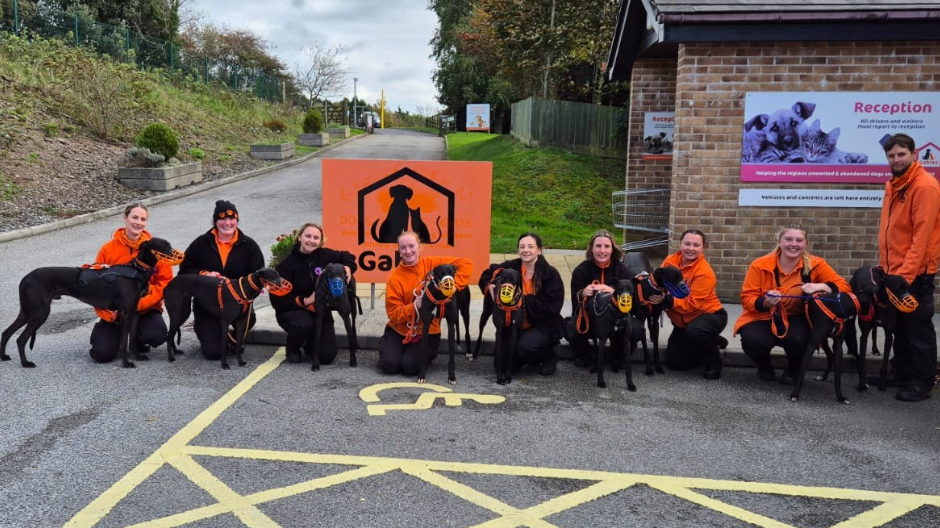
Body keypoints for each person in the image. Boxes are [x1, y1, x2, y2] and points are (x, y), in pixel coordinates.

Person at [733, 224, 850, 384]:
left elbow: (845, 287)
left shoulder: (817, 264)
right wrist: (766, 302)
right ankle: (764, 366)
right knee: (752, 340)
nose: (793, 244)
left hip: (798, 316)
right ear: (779, 241)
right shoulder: (759, 265)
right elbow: (747, 299)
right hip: (763, 316)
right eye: (788, 239)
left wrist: (822, 286)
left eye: (799, 240)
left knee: (799, 338)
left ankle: (794, 369)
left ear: (806, 243)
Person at [875, 133, 940, 402]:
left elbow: (922, 237)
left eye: (901, 154)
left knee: (918, 328)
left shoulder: (924, 186)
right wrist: (886, 269)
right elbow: (890, 232)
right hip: (895, 271)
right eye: (891, 156)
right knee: (898, 327)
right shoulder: (895, 184)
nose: (896, 159)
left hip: (915, 272)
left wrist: (905, 276)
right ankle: (901, 372)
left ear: (913, 154)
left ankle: (922, 381)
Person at [378, 231, 472, 376]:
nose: (408, 251)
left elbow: (466, 263)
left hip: (428, 331)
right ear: (399, 250)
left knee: (410, 368)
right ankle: (392, 349)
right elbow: (393, 313)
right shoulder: (394, 278)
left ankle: (423, 354)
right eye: (403, 248)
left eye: (411, 246)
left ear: (419, 246)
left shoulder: (433, 264)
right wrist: (416, 305)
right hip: (400, 329)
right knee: (389, 365)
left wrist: (453, 287)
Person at [179, 200, 264, 360]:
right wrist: (204, 275)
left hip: (239, 306)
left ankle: (231, 336)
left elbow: (258, 279)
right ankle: (209, 332)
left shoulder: (249, 246)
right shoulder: (200, 243)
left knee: (246, 320)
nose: (227, 223)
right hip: (208, 306)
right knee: (214, 353)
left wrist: (238, 293)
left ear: (237, 220)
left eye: (232, 218)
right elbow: (184, 272)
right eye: (222, 219)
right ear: (214, 221)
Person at [89, 204, 173, 363]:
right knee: (101, 354)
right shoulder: (108, 249)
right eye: (134, 217)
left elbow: (165, 283)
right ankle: (106, 332)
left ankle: (139, 338)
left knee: (157, 335)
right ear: (125, 218)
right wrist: (108, 313)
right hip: (117, 311)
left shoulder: (156, 248)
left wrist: (138, 304)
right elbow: (97, 285)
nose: (138, 222)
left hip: (144, 308)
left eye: (143, 219)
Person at [478, 232, 566, 375]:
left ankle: (549, 355)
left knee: (524, 348)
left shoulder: (550, 273)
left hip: (542, 324)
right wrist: (490, 288)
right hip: (514, 324)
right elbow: (487, 274)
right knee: (500, 364)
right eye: (522, 246)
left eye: (531, 246)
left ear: (539, 250)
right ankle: (520, 356)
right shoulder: (510, 267)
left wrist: (522, 300)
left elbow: (552, 307)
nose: (526, 250)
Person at [270, 222, 357, 365]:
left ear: (320, 241)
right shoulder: (285, 266)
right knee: (305, 325)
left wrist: (348, 267)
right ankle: (292, 347)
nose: (311, 240)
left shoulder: (325, 255)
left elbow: (347, 256)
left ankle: (310, 343)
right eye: (308, 236)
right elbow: (277, 300)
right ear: (299, 238)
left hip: (321, 310)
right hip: (294, 311)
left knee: (327, 357)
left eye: (316, 238)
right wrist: (305, 300)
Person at [655, 229, 727, 379]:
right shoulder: (670, 260)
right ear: (680, 244)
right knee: (675, 363)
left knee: (695, 332)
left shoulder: (705, 272)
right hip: (682, 322)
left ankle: (714, 363)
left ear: (703, 248)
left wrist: (666, 301)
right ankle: (710, 341)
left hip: (709, 315)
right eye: (687, 243)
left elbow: (691, 305)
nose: (691, 248)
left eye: (696, 245)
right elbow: (658, 282)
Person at [565, 229, 632, 367]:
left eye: (607, 246)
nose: (602, 251)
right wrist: (583, 293)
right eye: (598, 246)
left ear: (613, 249)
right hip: (590, 321)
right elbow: (575, 307)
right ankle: (587, 356)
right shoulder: (581, 271)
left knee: (636, 329)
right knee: (569, 326)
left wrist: (613, 291)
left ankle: (616, 356)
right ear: (591, 248)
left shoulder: (622, 270)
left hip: (616, 320)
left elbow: (634, 302)